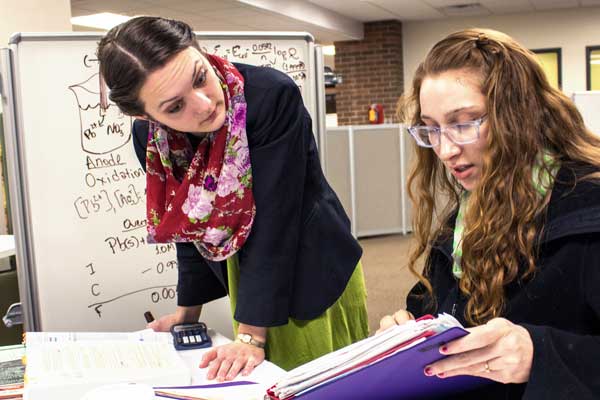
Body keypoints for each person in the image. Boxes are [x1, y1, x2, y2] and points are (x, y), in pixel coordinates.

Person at [96, 16, 368, 381]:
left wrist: (252, 336)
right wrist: (186, 314)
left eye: (200, 77)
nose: (205, 103)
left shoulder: (270, 96)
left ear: (199, 49)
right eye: (175, 107)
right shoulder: (151, 137)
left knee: (315, 383)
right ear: (142, 114)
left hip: (309, 263)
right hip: (247, 271)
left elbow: (276, 219)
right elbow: (187, 222)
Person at [379, 28, 600, 399]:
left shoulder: (588, 213)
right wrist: (407, 331)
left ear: (519, 115)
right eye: (431, 129)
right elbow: (435, 307)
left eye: (463, 123)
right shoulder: (466, 213)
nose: (445, 150)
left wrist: (540, 354)